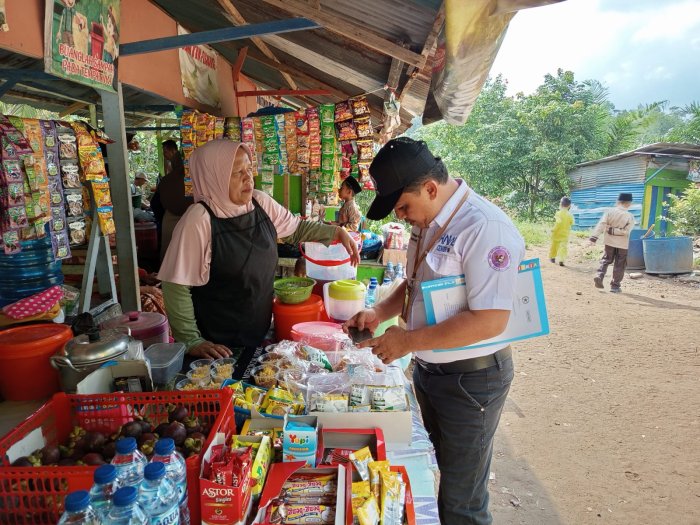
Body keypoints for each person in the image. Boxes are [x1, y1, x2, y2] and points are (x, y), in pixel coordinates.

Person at [344, 137, 524, 525]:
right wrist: (378, 312)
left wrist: (408, 341)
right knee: (445, 471)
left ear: (429, 188)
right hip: (432, 372)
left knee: (462, 501)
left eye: (404, 207)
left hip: (472, 380)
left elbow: (490, 320)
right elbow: (414, 283)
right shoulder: (429, 221)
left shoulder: (484, 227)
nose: (402, 216)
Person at [158, 140, 360, 371]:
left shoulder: (259, 202)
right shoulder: (198, 220)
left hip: (259, 334)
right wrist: (192, 340)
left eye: (249, 169)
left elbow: (296, 229)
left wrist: (336, 232)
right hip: (217, 349)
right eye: (237, 172)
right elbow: (175, 284)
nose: (248, 178)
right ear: (214, 176)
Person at [589, 192, 635, 293]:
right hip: (622, 245)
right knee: (620, 264)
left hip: (609, 242)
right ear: (629, 204)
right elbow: (627, 231)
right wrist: (616, 231)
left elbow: (601, 224)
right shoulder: (630, 216)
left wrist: (594, 237)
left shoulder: (609, 212)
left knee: (606, 260)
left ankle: (599, 276)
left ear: (618, 202)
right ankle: (615, 286)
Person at [158, 140, 193, 260]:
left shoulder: (178, 165)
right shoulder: (171, 175)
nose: (164, 155)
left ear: (173, 151)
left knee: (171, 252)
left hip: (178, 214)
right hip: (183, 213)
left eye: (165, 152)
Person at [549, 196, 574, 266]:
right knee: (563, 248)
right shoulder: (570, 215)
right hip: (565, 235)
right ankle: (561, 260)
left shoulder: (558, 213)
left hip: (556, 234)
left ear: (560, 204)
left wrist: (553, 230)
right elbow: (572, 222)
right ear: (569, 206)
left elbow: (558, 223)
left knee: (554, 246)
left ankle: (552, 257)